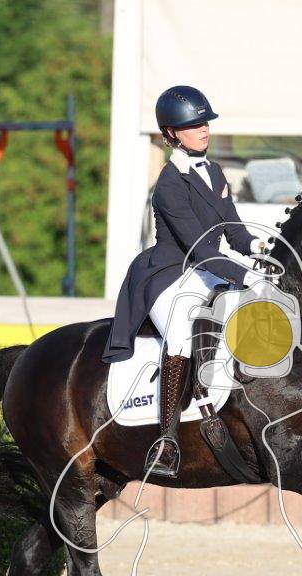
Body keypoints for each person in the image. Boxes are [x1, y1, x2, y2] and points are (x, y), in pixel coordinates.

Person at [103, 85, 271, 478]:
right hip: (168, 275)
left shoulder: (214, 172)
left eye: (204, 122)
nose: (203, 129)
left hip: (207, 269)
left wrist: (261, 248)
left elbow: (234, 232)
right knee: (180, 334)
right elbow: (199, 249)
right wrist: (246, 275)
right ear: (172, 133)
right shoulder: (169, 183)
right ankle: (166, 441)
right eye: (194, 125)